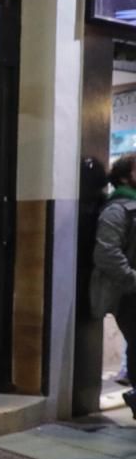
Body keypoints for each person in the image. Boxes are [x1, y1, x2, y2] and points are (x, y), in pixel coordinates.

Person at [92, 153, 136, 416]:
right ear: (123, 176)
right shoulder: (117, 209)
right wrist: (133, 279)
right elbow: (106, 253)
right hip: (130, 295)